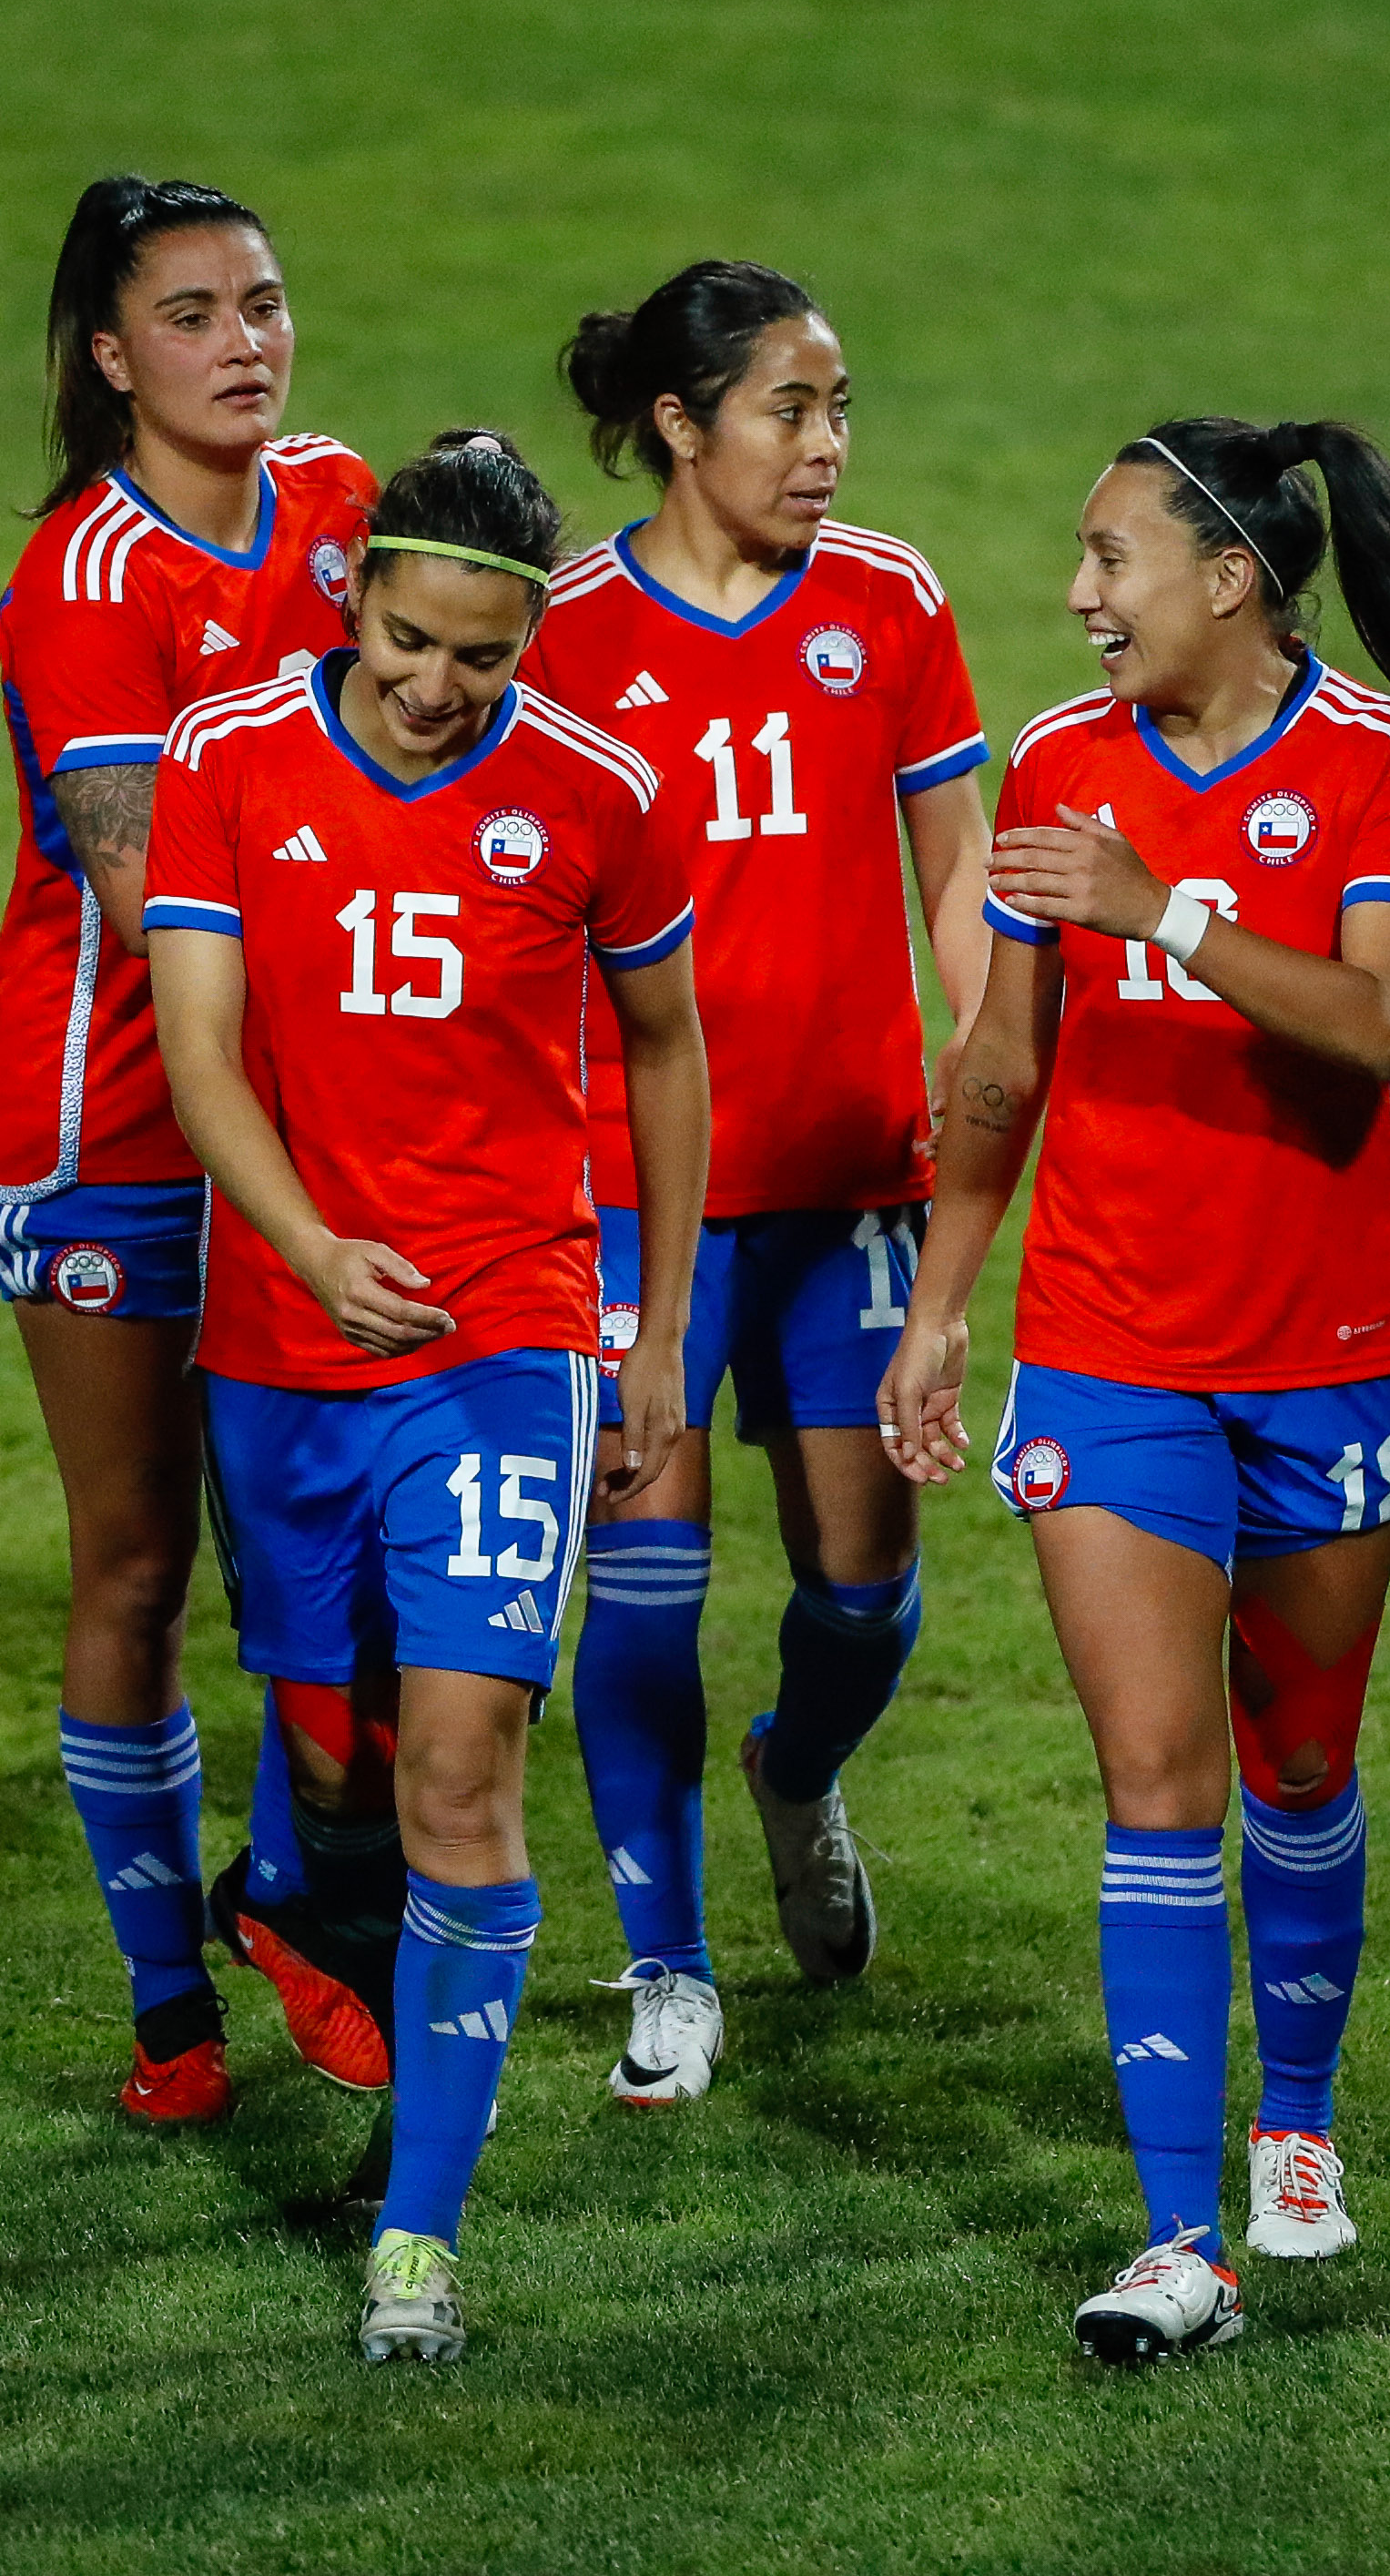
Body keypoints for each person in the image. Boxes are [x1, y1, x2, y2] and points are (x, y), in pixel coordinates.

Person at [882, 417, 1390, 2366]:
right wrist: (939, 1301)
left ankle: (1299, 2119)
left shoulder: (1379, 762)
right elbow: (1004, 1059)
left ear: (1229, 580)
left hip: (1328, 1356)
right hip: (1109, 1349)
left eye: (1111, 559)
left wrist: (1163, 908)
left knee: (1297, 1765)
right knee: (1156, 1781)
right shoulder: (1061, 763)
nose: (1079, 595)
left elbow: (1370, 1024)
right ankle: (1176, 2241)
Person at [145, 429, 708, 2364]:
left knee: (459, 1769)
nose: (435, 686)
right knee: (329, 1770)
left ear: (530, 636)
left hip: (501, 1332)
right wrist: (311, 1248)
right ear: (353, 597)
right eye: (406, 640)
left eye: (482, 655)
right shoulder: (226, 758)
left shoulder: (601, 791)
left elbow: (664, 1051)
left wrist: (652, 1330)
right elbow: (198, 1053)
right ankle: (304, 1914)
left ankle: (419, 2234)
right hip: (285, 1344)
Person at [517, 263, 990, 2107]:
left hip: (850, 1174)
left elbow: (955, 871)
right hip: (629, 1195)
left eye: (839, 408)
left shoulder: (889, 599)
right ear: (679, 423)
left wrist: (980, 1061)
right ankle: (670, 1965)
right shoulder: (563, 632)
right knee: (643, 1581)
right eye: (789, 409)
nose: (826, 445)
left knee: (863, 1586)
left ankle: (795, 1771)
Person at [0, 177, 386, 2123]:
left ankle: (292, 1896)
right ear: (111, 357)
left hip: (316, 1118)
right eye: (195, 314)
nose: (246, 342)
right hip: (114, 1135)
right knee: (139, 1561)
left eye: (265, 303)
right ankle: (168, 2013)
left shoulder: (342, 504)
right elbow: (147, 907)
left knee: (332, 1550)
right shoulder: (86, 579)